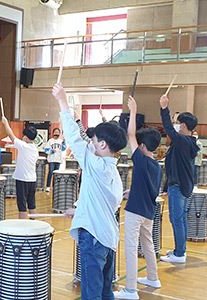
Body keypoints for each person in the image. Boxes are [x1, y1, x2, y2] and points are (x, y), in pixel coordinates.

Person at [52, 83, 127, 299]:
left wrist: (63, 101)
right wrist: (81, 210)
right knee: (104, 292)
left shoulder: (95, 165)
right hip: (107, 238)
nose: (90, 142)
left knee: (92, 294)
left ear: (102, 144)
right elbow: (105, 205)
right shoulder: (112, 171)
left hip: (94, 239)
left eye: (93, 140)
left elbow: (75, 139)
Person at [114, 96, 162, 300]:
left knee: (131, 248)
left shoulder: (141, 160)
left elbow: (130, 133)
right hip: (148, 212)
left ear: (142, 146)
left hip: (135, 211)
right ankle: (153, 277)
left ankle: (131, 290)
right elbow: (150, 188)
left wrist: (133, 110)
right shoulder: (156, 165)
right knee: (148, 244)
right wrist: (131, 192)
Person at [158, 95, 199, 264]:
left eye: (178, 123)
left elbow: (168, 128)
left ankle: (179, 254)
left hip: (179, 186)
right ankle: (179, 249)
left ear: (183, 125)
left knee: (176, 219)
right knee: (180, 218)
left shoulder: (183, 141)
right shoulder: (187, 141)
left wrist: (164, 108)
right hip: (182, 185)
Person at [2, 116, 39, 219]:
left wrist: (5, 123)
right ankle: (34, 226)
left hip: (22, 180)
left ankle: (23, 230)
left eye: (23, 136)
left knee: (22, 206)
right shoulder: (35, 149)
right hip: (32, 180)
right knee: (31, 204)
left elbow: (10, 135)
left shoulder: (23, 146)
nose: (22, 137)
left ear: (26, 138)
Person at [44, 128, 66, 192]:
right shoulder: (50, 141)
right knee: (50, 172)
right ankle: (48, 186)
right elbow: (46, 149)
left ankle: (55, 186)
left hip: (58, 159)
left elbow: (63, 149)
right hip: (51, 159)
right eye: (55, 132)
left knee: (56, 174)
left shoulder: (61, 141)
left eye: (58, 132)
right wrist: (51, 151)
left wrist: (64, 143)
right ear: (53, 133)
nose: (56, 133)